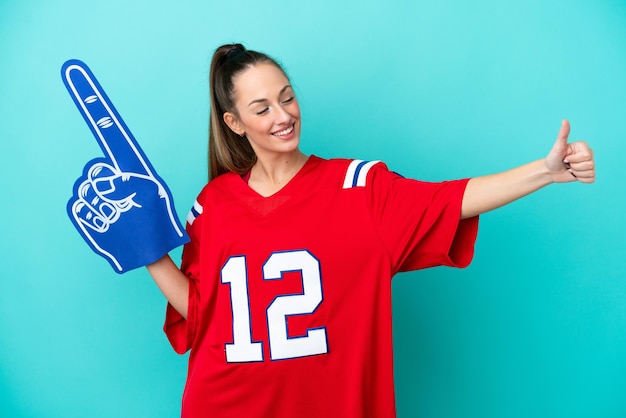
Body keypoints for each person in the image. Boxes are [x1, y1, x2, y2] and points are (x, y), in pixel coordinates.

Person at [145, 43, 595, 418]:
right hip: (225, 405)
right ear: (234, 123)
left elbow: (451, 199)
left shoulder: (359, 187)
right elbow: (206, 314)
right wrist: (149, 252)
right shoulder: (214, 203)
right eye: (262, 108)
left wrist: (545, 171)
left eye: (287, 97)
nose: (283, 115)